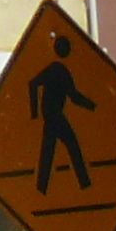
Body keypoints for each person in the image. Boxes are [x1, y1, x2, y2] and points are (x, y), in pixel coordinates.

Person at [30, 33, 97, 195]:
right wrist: (34, 113)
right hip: (55, 117)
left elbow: (73, 96)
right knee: (71, 147)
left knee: (49, 153)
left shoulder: (60, 70)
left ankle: (42, 188)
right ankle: (85, 185)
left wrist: (92, 106)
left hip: (53, 117)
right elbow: (32, 84)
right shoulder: (58, 70)